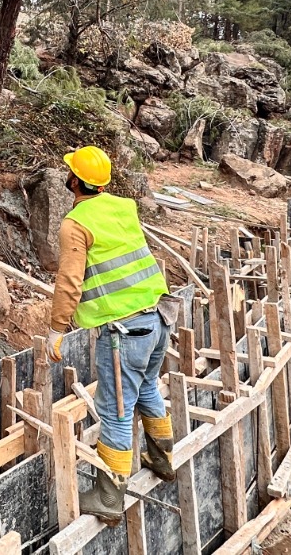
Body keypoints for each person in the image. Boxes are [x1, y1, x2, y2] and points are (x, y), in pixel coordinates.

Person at [47, 145, 177, 523]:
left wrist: (57, 329)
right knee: (148, 387)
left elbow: (69, 280)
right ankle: (162, 459)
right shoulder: (123, 207)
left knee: (116, 411)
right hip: (157, 319)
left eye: (69, 171)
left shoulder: (76, 223)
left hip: (124, 331)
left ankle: (108, 497)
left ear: (75, 180)